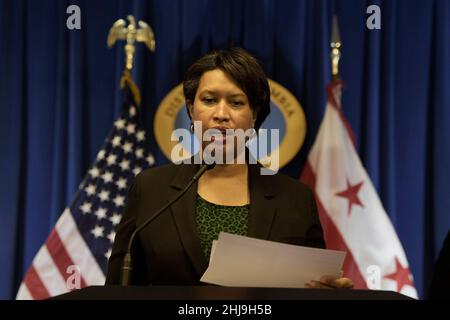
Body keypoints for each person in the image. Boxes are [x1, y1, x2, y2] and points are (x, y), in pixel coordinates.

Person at [105, 47, 353, 289]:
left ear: (254, 115)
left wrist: (329, 294)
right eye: (209, 100)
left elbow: (314, 286)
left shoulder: (296, 199)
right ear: (191, 109)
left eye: (236, 102)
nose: (221, 114)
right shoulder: (150, 189)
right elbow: (119, 288)